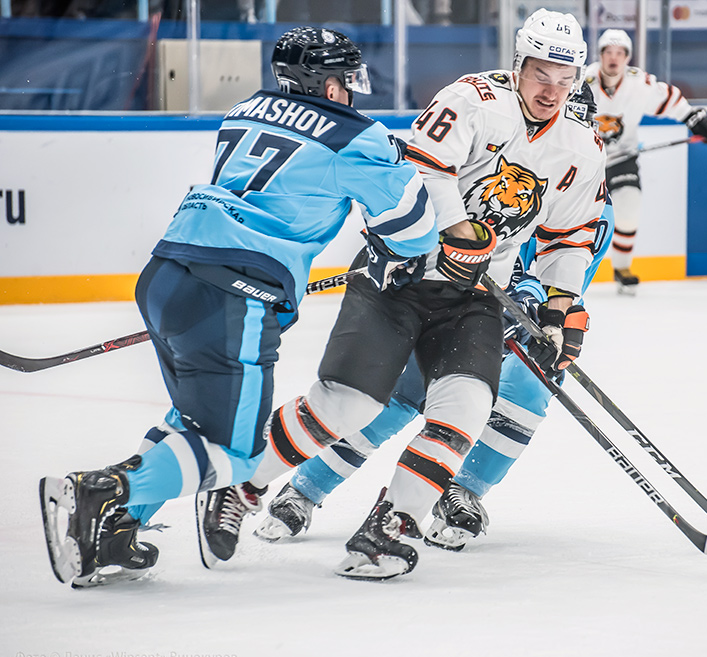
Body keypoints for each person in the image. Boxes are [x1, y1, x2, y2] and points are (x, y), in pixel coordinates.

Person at [38, 26, 439, 588]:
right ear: (325, 84)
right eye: (346, 81)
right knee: (238, 453)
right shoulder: (356, 136)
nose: (352, 92)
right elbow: (413, 222)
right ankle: (102, 490)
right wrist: (402, 255)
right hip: (234, 294)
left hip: (167, 271)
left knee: (195, 418)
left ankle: (115, 531)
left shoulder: (246, 109)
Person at [213, 9, 608, 581]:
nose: (551, 89)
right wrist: (453, 231)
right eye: (541, 73)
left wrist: (558, 306)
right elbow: (421, 169)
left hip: (474, 295)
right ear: (519, 65)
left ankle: (392, 524)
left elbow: (568, 236)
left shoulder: (582, 147)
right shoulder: (472, 99)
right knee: (348, 405)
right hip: (401, 273)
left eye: (564, 77)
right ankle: (241, 488)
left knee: (467, 406)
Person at [254, 186, 615, 551]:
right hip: (454, 297)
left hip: (523, 308)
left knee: (534, 383)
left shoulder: (589, 196)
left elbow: (568, 274)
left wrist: (541, 307)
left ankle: (464, 491)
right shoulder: (493, 150)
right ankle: (305, 489)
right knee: (399, 397)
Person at [583, 29, 707, 293]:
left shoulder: (639, 84)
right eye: (608, 53)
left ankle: (622, 267)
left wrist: (696, 119)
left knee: (629, 205)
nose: (614, 59)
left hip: (623, 157)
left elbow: (669, 99)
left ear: (627, 57)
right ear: (600, 56)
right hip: (586, 160)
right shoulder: (582, 82)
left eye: (620, 53)